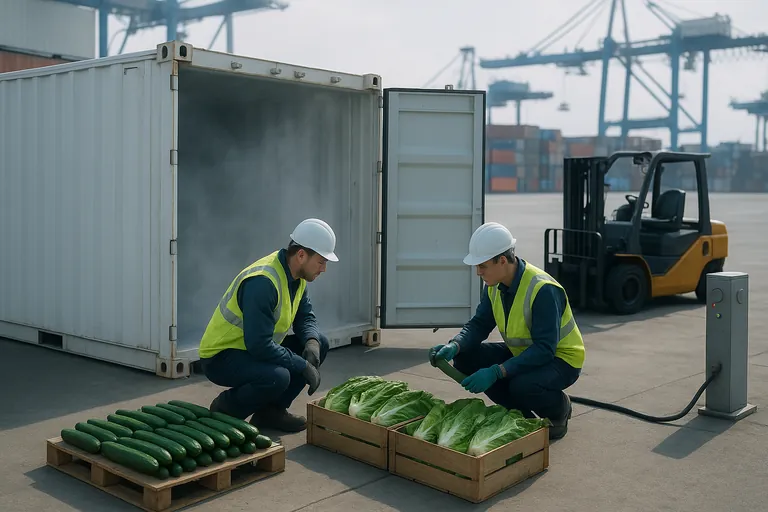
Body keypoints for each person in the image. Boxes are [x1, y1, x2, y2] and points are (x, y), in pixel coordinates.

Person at [429, 222, 585, 440]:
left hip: (561, 360)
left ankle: (559, 410)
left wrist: (496, 372)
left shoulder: (543, 289)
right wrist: (455, 345)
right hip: (525, 354)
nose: (478, 272)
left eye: (482, 266)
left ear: (502, 261)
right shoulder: (494, 284)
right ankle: (521, 417)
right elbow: (480, 324)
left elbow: (544, 349)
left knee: (522, 385)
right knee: (465, 357)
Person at [198, 218, 338, 433]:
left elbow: (305, 318)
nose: (324, 269)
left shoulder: (297, 277)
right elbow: (259, 345)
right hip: (222, 356)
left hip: (250, 349)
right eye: (321, 261)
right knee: (277, 377)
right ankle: (224, 411)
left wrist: (311, 343)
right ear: (301, 255)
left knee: (321, 342)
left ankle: (270, 413)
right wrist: (302, 366)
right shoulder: (263, 282)